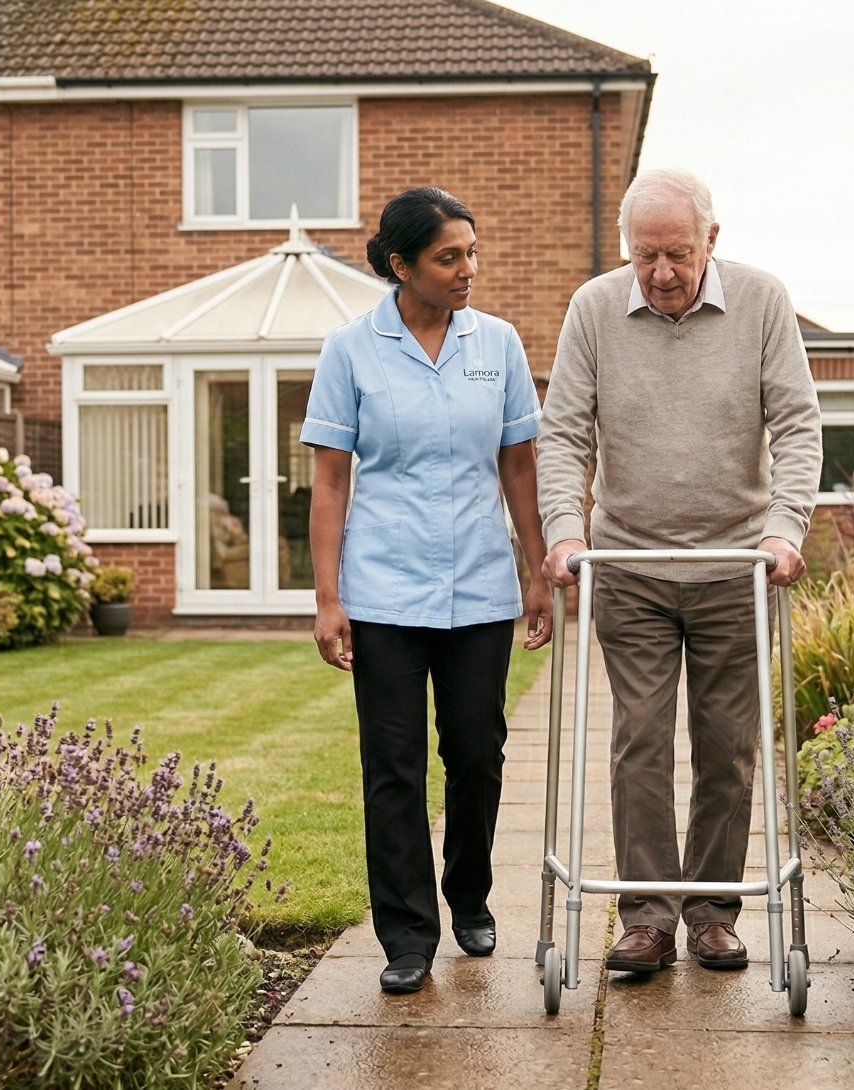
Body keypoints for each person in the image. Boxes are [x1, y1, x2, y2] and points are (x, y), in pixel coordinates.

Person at [537, 168, 822, 974]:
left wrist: (784, 529)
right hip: (629, 563)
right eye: (645, 255)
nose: (661, 273)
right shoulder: (594, 308)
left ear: (711, 241)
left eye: (678, 254)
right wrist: (564, 531)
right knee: (640, 743)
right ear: (627, 248)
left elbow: (797, 425)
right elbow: (564, 433)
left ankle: (712, 912)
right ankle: (648, 918)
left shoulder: (762, 303)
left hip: (736, 566)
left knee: (728, 749)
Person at [302, 186, 553, 995]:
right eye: (449, 257)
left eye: (472, 252)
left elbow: (519, 466)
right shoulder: (350, 350)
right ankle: (406, 935)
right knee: (394, 767)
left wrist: (538, 570)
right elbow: (330, 480)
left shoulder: (498, 343)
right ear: (400, 265)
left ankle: (469, 896)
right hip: (383, 592)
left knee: (477, 755)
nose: (467, 268)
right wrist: (328, 598)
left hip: (479, 587)